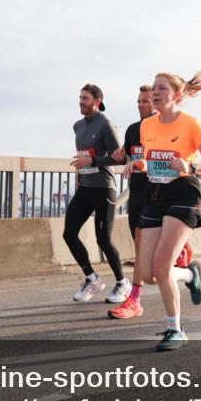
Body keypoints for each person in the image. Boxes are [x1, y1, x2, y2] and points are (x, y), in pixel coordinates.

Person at [127, 71, 201, 351]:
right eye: (153, 88)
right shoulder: (148, 126)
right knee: (147, 274)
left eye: (161, 88)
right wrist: (136, 165)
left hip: (184, 194)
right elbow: (147, 160)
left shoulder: (191, 124)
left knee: (162, 264)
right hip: (156, 195)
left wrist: (191, 166)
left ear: (176, 95)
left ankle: (175, 329)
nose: (155, 93)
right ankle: (191, 275)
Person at [109, 85, 194, 319]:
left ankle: (134, 299)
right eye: (138, 101)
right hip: (136, 193)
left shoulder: (163, 130)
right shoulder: (133, 130)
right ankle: (183, 257)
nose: (141, 105)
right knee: (147, 263)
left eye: (145, 101)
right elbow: (130, 157)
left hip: (154, 194)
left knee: (139, 245)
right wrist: (121, 158)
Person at [66, 84, 130, 303]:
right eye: (80, 97)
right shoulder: (77, 126)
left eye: (85, 98)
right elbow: (82, 155)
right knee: (69, 233)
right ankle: (92, 278)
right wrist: (81, 173)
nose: (81, 101)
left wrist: (92, 161)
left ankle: (122, 283)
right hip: (85, 186)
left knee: (103, 239)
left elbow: (119, 158)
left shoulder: (106, 125)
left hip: (104, 187)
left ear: (97, 101)